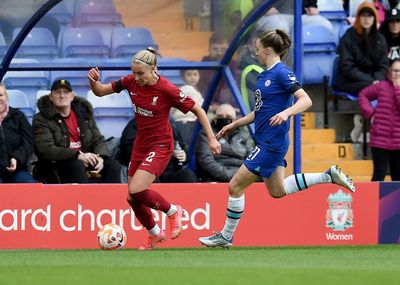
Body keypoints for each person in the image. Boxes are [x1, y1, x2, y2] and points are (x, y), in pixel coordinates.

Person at [198, 29, 356, 248]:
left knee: (235, 186)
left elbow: (305, 100)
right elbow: (260, 111)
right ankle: (327, 176)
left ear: (268, 50)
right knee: (277, 191)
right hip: (268, 141)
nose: (257, 53)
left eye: (258, 49)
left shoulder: (282, 72)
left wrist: (286, 113)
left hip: (271, 143)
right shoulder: (264, 75)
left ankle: (226, 236)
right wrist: (234, 124)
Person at [87, 47, 221, 250]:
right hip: (141, 143)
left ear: (154, 69)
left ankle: (173, 211)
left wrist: (212, 139)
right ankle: (155, 234)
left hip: (160, 144)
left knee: (137, 189)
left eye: (141, 73)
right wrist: (93, 81)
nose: (136, 77)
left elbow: (199, 111)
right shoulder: (130, 81)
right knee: (132, 198)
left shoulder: (167, 89)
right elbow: (101, 91)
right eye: (134, 72)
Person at [32, 79, 121, 184]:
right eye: (57, 92)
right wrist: (77, 155)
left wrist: (100, 156)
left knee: (112, 165)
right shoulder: (41, 119)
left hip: (85, 159)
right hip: (57, 163)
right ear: (51, 97)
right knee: (76, 165)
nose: (62, 95)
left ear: (72, 96)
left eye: (66, 92)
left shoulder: (84, 115)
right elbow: (46, 149)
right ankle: (85, 199)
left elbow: (98, 139)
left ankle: (111, 200)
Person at [118, 117, 198, 183]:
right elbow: (129, 151)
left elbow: (182, 146)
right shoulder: (135, 125)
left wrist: (184, 155)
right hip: (146, 170)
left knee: (188, 175)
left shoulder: (168, 126)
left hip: (170, 171)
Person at [358, 58, 400, 181]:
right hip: (380, 140)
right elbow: (363, 95)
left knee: (397, 178)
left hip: (398, 142)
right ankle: (373, 201)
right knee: (379, 174)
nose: (398, 74)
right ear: (389, 72)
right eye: (395, 70)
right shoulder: (382, 86)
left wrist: (397, 90)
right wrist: (370, 112)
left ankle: (395, 201)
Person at [337, 1, 388, 95]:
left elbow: (383, 66)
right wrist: (371, 80)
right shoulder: (348, 38)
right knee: (379, 88)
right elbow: (347, 68)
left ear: (374, 18)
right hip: (350, 82)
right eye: (363, 15)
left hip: (374, 80)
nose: (366, 19)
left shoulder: (380, 39)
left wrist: (376, 79)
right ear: (358, 18)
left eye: (369, 16)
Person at [195, 103, 253, 182]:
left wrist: (244, 175)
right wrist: (230, 176)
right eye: (220, 116)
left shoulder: (244, 135)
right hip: (217, 178)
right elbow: (206, 160)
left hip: (243, 175)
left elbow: (251, 158)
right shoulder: (207, 134)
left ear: (235, 120)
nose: (224, 119)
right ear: (215, 118)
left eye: (228, 117)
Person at [0, 83, 36, 183]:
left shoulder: (18, 116)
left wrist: (16, 158)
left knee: (30, 188)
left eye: (1, 95)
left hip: (18, 170)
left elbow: (28, 142)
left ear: (6, 97)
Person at [197, 33, 239, 112]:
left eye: (222, 49)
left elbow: (233, 91)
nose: (219, 52)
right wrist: (212, 104)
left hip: (230, 107)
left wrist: (225, 106)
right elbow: (202, 90)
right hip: (209, 107)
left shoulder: (233, 66)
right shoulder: (204, 65)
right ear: (209, 49)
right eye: (215, 49)